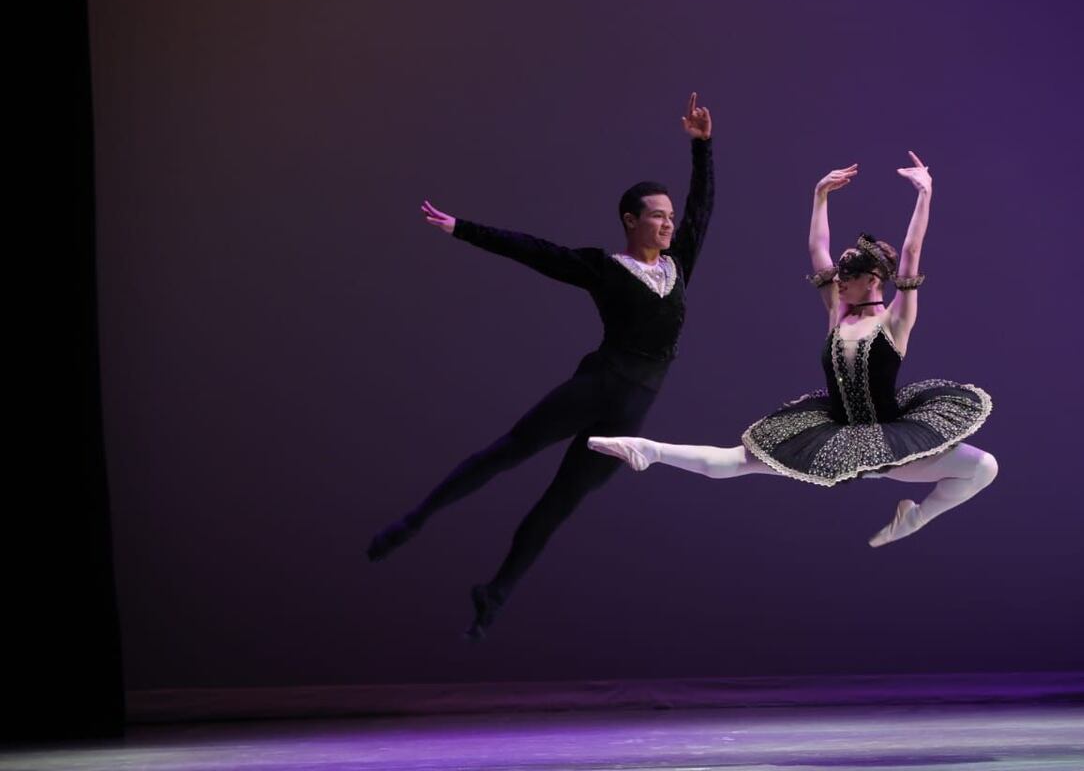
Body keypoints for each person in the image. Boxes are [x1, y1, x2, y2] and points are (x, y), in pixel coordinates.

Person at [368, 93, 715, 639]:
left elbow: (702, 208)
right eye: (657, 216)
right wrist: (462, 227)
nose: (670, 225)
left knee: (557, 505)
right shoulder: (602, 268)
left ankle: (495, 593)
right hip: (596, 386)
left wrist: (702, 148)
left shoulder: (679, 265)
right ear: (630, 220)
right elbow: (532, 250)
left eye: (671, 218)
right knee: (506, 453)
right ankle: (414, 521)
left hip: (631, 411)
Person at [589, 153, 997, 547]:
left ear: (873, 280)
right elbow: (818, 249)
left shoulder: (895, 320)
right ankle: (649, 450)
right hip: (835, 436)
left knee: (983, 467)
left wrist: (925, 194)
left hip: (893, 445)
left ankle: (915, 518)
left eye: (845, 278)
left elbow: (909, 256)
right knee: (737, 461)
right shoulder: (838, 313)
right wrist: (820, 196)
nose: (836, 282)